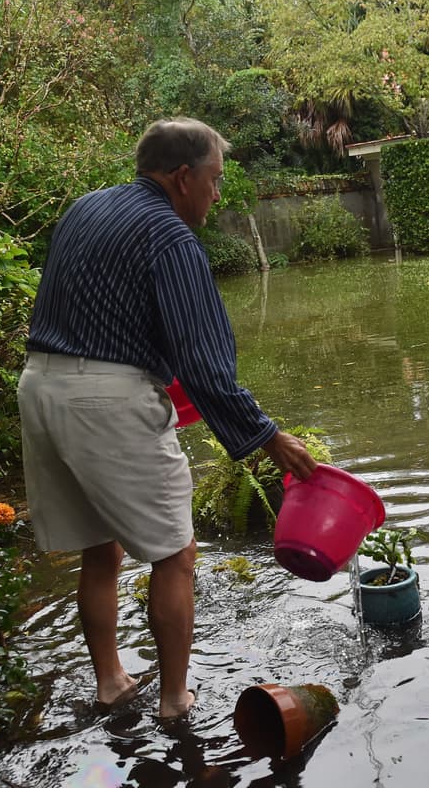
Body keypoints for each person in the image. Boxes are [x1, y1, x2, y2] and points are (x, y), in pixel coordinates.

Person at [17, 118, 317, 720]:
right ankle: (176, 701)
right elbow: (204, 361)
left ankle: (111, 683)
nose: (217, 194)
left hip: (40, 384)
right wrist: (266, 436)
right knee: (176, 555)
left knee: (100, 551)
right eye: (214, 180)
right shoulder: (170, 237)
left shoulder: (86, 208)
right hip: (106, 400)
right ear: (182, 177)